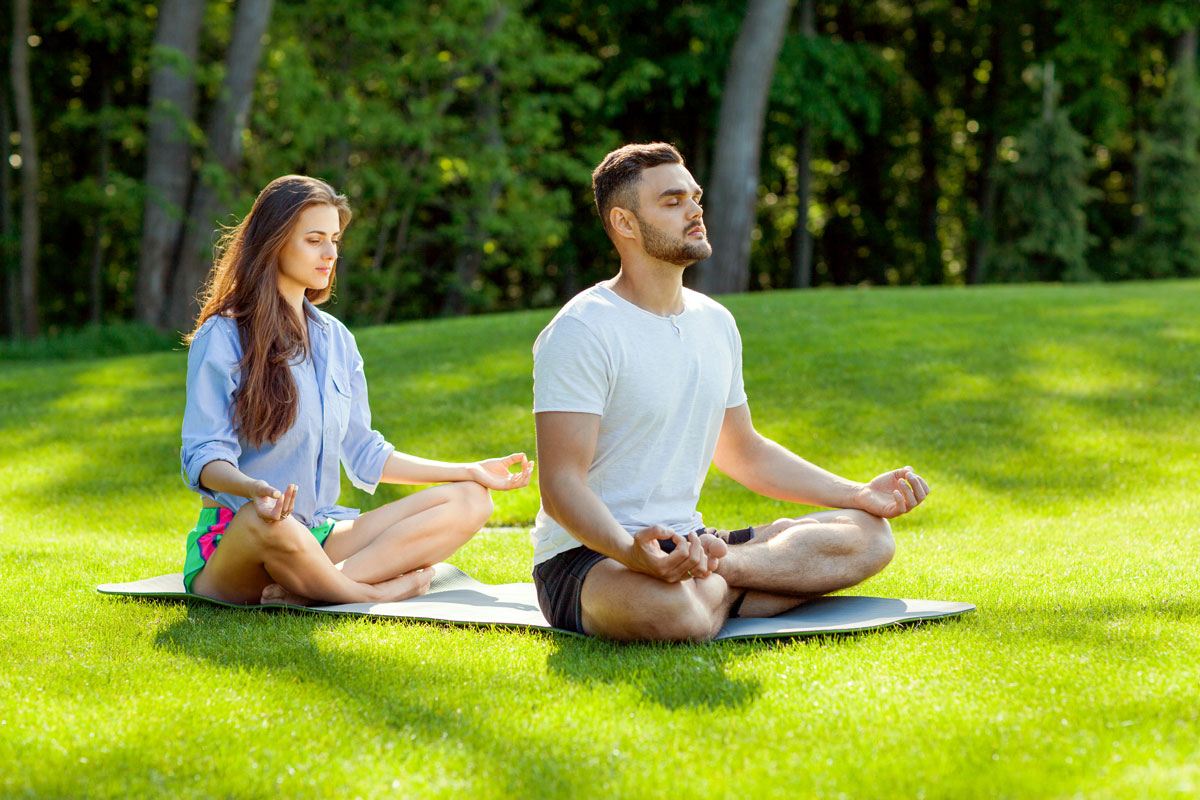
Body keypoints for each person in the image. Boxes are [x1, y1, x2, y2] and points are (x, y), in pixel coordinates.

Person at [531, 143, 930, 641]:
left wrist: (858, 493)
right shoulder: (582, 330)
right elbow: (562, 484)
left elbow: (746, 452)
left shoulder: (715, 322)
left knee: (871, 536)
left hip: (694, 543)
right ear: (625, 223)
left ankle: (727, 573)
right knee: (672, 616)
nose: (695, 210)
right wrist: (632, 551)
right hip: (590, 556)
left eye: (695, 197)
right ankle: (746, 585)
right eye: (673, 201)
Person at [180, 175, 532, 606]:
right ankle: (373, 592)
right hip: (243, 539)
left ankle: (310, 590)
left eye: (334, 239)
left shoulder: (336, 339)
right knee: (267, 520)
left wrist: (467, 470)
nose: (330, 253)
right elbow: (203, 457)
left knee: (471, 501)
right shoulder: (222, 335)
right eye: (314, 240)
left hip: (319, 535)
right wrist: (254, 488)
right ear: (273, 243)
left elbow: (366, 453)